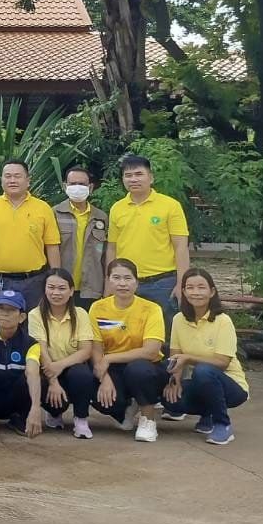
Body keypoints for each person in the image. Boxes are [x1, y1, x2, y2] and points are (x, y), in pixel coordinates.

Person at [163, 268, 249, 445]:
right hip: (200, 381)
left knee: (203, 371)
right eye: (190, 287)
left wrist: (188, 358)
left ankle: (222, 424)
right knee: (168, 398)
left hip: (231, 385)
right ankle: (206, 415)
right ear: (183, 291)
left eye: (201, 287)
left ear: (212, 291)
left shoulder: (223, 321)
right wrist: (174, 381)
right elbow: (175, 358)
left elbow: (222, 363)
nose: (195, 292)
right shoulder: (179, 319)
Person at [105, 154, 190, 325]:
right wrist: (109, 283)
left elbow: (181, 246)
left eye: (139, 174)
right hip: (126, 282)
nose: (133, 179)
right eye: (128, 175)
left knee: (165, 332)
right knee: (128, 331)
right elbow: (112, 248)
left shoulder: (170, 206)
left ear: (151, 177)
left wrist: (182, 283)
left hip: (163, 283)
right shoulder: (117, 208)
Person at [91, 258, 169, 442]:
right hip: (113, 368)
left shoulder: (151, 309)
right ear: (108, 281)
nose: (122, 283)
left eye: (128, 278)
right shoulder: (98, 308)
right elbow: (96, 349)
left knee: (138, 370)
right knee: (91, 386)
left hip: (147, 367)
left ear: (136, 282)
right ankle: (125, 409)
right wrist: (104, 378)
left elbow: (151, 351)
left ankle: (148, 420)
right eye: (116, 278)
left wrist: (109, 359)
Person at [0, 159, 60, 311]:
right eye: (8, 176)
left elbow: (52, 246)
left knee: (33, 323)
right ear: (1, 180)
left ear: (28, 180)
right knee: (0, 323)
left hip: (34, 282)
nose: (12, 180)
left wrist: (55, 278)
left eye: (17, 176)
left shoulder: (43, 208)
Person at [29, 268, 98, 439]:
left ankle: (81, 419)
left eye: (62, 288)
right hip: (47, 367)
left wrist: (60, 365)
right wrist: (53, 381)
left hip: (70, 366)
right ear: (44, 289)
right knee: (39, 383)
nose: (56, 293)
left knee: (82, 374)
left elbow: (85, 351)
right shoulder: (35, 315)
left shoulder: (81, 314)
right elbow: (41, 351)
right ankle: (54, 413)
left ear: (71, 291)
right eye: (51, 288)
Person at [0, 289, 44, 437]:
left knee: (36, 378)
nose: (5, 314)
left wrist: (36, 408)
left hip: (14, 400)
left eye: (11, 310)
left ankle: (20, 417)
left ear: (22, 317)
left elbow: (32, 373)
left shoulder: (31, 344)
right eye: (1, 308)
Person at [53, 164, 107, 309]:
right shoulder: (54, 214)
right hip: (61, 287)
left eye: (82, 184)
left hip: (91, 288)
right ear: (65, 186)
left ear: (90, 187)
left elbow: (105, 253)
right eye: (73, 184)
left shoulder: (101, 217)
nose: (77, 187)